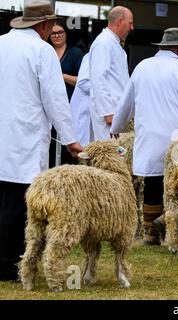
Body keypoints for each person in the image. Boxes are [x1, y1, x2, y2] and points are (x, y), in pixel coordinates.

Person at [0, 0, 82, 282]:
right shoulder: (41, 50)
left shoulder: (1, 43)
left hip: (4, 132)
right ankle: (10, 263)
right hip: (25, 136)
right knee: (19, 202)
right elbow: (55, 99)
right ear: (45, 25)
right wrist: (71, 139)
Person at [111, 27, 178, 246]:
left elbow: (126, 101)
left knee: (152, 183)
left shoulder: (142, 67)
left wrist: (118, 125)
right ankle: (171, 228)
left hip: (150, 137)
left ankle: (150, 233)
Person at [89, 6, 134, 141]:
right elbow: (98, 79)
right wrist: (108, 113)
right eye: (130, 23)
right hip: (109, 115)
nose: (132, 28)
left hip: (117, 113)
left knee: (120, 156)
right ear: (120, 22)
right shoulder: (103, 43)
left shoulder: (112, 42)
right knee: (109, 157)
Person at [49, 20, 84, 165]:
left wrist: (60, 76)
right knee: (50, 146)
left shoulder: (76, 53)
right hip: (49, 107)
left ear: (66, 33)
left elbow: (82, 81)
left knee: (67, 146)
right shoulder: (45, 51)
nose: (57, 35)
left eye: (60, 32)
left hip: (70, 107)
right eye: (53, 33)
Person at [70, 54, 93, 147]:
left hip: (95, 112)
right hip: (85, 112)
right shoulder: (91, 56)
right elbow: (83, 82)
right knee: (84, 150)